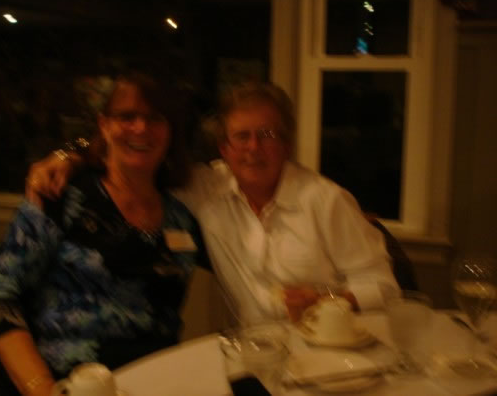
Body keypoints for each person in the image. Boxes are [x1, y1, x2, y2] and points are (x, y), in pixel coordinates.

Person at [26, 81, 400, 326]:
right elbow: (136, 159)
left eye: (267, 134)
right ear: (224, 148)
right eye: (241, 136)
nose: (254, 148)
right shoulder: (206, 189)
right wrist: (69, 155)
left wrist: (327, 299)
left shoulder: (326, 200)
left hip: (334, 357)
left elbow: (384, 286)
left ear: (286, 144)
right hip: (259, 358)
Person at [0, 70, 208, 396]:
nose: (141, 128)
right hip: (70, 381)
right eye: (126, 116)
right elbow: (1, 298)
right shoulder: (60, 197)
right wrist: (42, 387)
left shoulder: (182, 217)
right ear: (104, 124)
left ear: (170, 131)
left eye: (155, 118)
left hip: (158, 379)